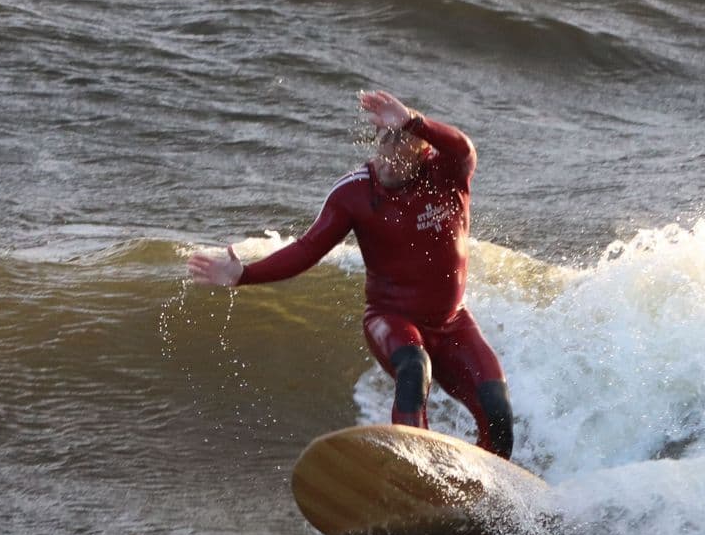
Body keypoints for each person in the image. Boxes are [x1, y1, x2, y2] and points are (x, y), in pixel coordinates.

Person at [187, 90, 514, 460]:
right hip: (393, 319)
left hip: (453, 323)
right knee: (413, 367)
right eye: (384, 149)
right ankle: (414, 466)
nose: (389, 163)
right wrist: (243, 274)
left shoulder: (446, 173)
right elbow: (307, 249)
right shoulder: (354, 193)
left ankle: (490, 490)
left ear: (423, 155)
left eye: (402, 153)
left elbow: (463, 147)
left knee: (498, 408)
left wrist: (413, 121)